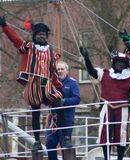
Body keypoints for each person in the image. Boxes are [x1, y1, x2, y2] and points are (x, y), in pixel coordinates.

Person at [0, 16, 63, 151]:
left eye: (44, 35)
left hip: (47, 84)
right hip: (33, 84)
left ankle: (66, 137)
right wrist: (5, 26)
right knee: (35, 113)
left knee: (59, 103)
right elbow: (15, 39)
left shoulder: (51, 52)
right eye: (39, 34)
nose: (42, 36)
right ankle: (36, 141)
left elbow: (53, 72)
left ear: (46, 36)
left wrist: (58, 87)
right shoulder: (29, 47)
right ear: (34, 35)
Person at [80, 47, 130, 160]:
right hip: (106, 106)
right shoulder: (105, 74)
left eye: (122, 63)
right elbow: (92, 72)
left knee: (121, 133)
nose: (120, 65)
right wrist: (86, 58)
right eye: (118, 63)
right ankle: (106, 157)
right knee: (105, 133)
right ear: (114, 63)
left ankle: (119, 158)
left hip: (122, 108)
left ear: (126, 65)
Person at [45, 61, 80, 160]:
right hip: (53, 119)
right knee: (50, 143)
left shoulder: (72, 83)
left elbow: (77, 99)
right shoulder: (51, 83)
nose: (60, 71)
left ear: (67, 70)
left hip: (67, 119)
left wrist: (63, 101)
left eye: (62, 69)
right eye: (58, 69)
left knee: (65, 144)